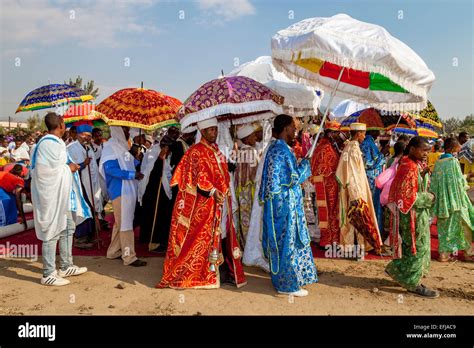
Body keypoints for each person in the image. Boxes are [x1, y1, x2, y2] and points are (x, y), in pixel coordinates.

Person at [157, 118, 246, 289]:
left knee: (221, 235)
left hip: (221, 203)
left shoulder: (215, 149)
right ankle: (201, 272)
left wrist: (231, 164)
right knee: (201, 239)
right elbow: (198, 178)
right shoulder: (196, 151)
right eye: (210, 130)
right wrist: (213, 191)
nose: (214, 132)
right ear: (202, 131)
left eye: (215, 129)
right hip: (204, 204)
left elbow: (223, 169)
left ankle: (219, 269)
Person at [259, 114, 318, 297]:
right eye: (294, 128)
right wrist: (305, 167)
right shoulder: (280, 151)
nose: (296, 131)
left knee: (288, 243)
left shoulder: (280, 148)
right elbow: (291, 179)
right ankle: (287, 286)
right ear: (285, 128)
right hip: (283, 206)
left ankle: (292, 278)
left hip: (285, 204)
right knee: (286, 244)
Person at [31, 112, 90, 286]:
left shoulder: (57, 143)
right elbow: (45, 172)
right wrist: (69, 168)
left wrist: (68, 168)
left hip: (64, 194)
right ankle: (48, 273)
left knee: (68, 228)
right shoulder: (49, 144)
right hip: (52, 195)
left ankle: (66, 265)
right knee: (52, 231)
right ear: (61, 126)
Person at [385, 137, 439, 298]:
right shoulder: (409, 167)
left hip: (413, 214)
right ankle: (413, 283)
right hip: (411, 216)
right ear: (413, 149)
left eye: (428, 151)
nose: (426, 154)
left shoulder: (411, 164)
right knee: (417, 248)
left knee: (412, 247)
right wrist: (429, 198)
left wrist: (422, 174)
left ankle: (396, 270)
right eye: (423, 150)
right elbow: (407, 196)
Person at [100, 126, 147, 267]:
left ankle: (113, 251)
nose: (128, 133)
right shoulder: (110, 147)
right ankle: (129, 256)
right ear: (117, 130)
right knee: (125, 224)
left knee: (120, 223)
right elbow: (110, 169)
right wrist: (132, 174)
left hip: (128, 190)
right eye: (125, 130)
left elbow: (129, 164)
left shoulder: (122, 147)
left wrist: (137, 160)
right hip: (119, 190)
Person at [336, 123, 382, 257]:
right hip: (356, 188)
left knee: (354, 219)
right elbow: (351, 173)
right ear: (358, 133)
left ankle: (353, 248)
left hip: (354, 187)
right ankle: (358, 249)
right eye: (363, 133)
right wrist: (356, 193)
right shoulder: (353, 149)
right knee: (359, 217)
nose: (364, 136)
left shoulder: (349, 147)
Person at [431, 138, 473, 262]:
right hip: (455, 201)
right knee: (464, 226)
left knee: (444, 228)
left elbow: (435, 182)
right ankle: (466, 253)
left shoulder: (439, 162)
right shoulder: (453, 161)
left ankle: (443, 254)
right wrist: (468, 177)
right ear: (453, 148)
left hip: (443, 202)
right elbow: (458, 182)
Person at [139, 134, 180, 252]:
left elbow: (166, 172)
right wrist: (160, 160)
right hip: (153, 192)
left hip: (161, 190)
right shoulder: (154, 154)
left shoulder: (164, 156)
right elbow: (153, 173)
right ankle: (153, 241)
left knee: (162, 215)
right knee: (155, 216)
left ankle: (159, 240)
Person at [67, 124, 104, 249]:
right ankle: (80, 239)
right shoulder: (71, 148)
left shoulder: (89, 148)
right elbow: (71, 167)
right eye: (85, 135)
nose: (87, 138)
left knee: (92, 209)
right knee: (83, 211)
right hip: (79, 185)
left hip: (91, 184)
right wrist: (83, 164)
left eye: (89, 136)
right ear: (78, 135)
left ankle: (89, 236)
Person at [310, 120, 341, 248]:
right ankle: (327, 240)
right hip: (326, 184)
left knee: (329, 212)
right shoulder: (325, 148)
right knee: (328, 212)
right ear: (331, 133)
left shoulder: (327, 146)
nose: (339, 135)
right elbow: (323, 167)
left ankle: (331, 239)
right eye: (337, 133)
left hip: (328, 183)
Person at [234, 124, 259, 248]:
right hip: (249, 192)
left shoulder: (241, 151)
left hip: (241, 192)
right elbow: (255, 175)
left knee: (243, 219)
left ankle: (244, 245)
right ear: (246, 138)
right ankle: (250, 247)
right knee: (250, 219)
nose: (255, 137)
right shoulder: (250, 151)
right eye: (253, 135)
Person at [360, 130, 386, 234]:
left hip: (373, 178)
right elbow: (368, 163)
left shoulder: (370, 142)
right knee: (372, 206)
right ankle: (373, 231)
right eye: (378, 130)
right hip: (371, 180)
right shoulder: (367, 143)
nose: (380, 133)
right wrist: (382, 154)